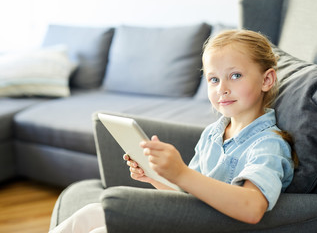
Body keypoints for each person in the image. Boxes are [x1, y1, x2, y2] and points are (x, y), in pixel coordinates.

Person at [50, 29, 297, 233]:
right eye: (213, 79)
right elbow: (187, 199)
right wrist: (154, 177)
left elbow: (252, 208)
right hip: (188, 222)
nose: (222, 88)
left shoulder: (268, 145)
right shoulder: (213, 133)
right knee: (94, 212)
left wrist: (181, 173)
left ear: (267, 80)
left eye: (235, 75)